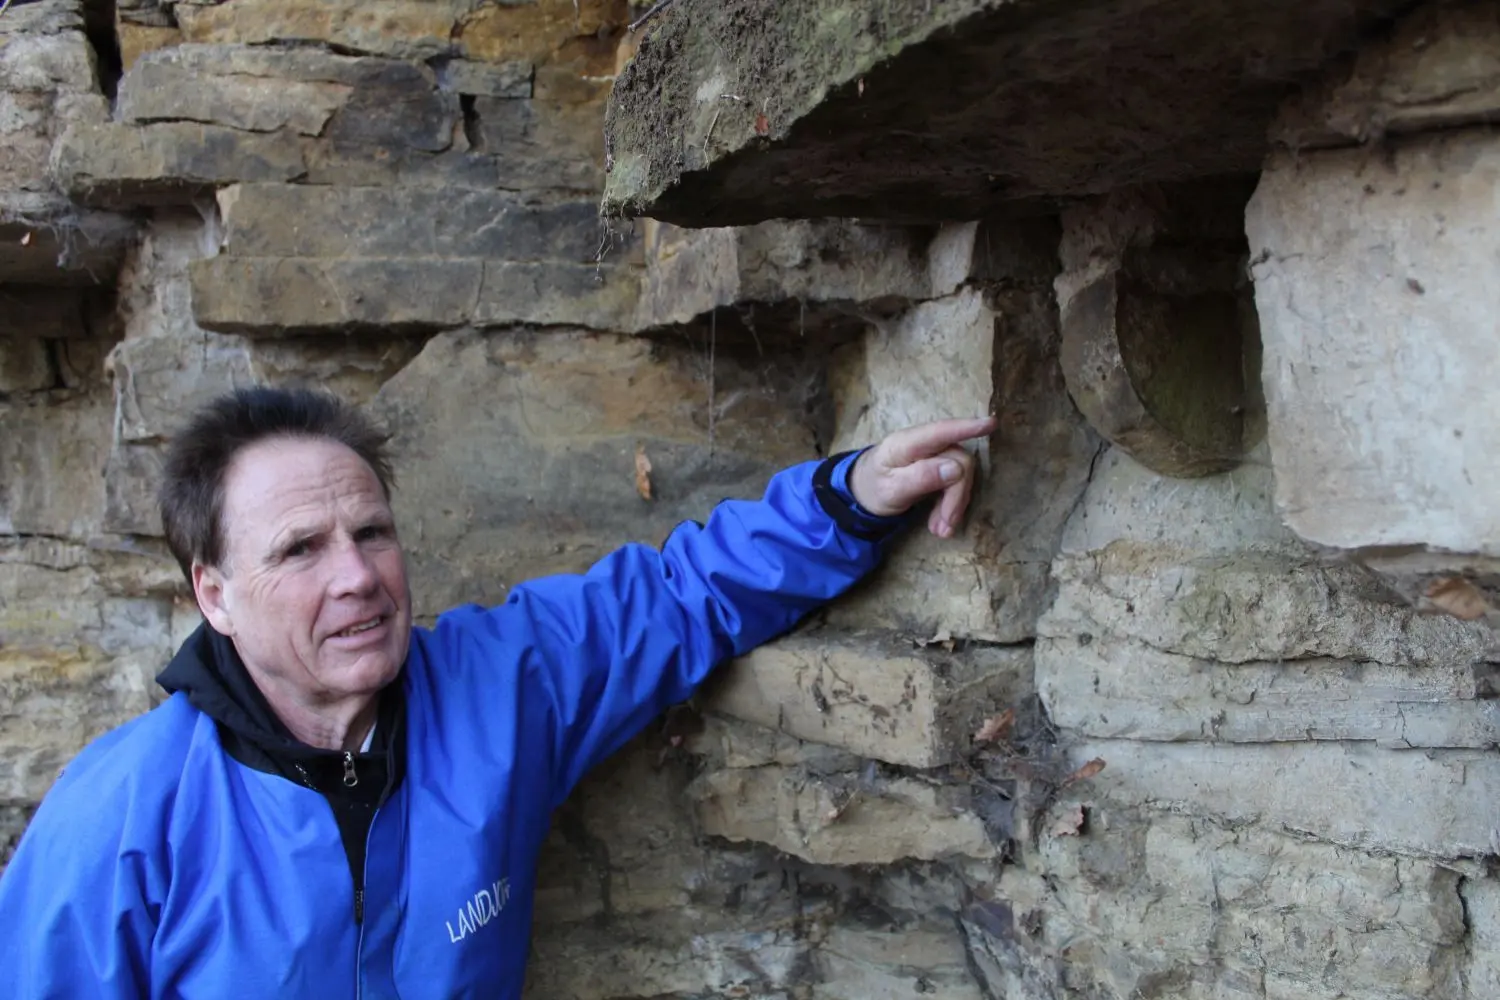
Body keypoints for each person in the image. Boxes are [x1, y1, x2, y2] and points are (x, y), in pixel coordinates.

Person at [0, 386, 994, 998]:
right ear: (211, 593)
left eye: (372, 532)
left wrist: (850, 498)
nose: (356, 575)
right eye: (300, 549)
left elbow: (677, 596)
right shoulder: (121, 817)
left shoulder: (500, 688)